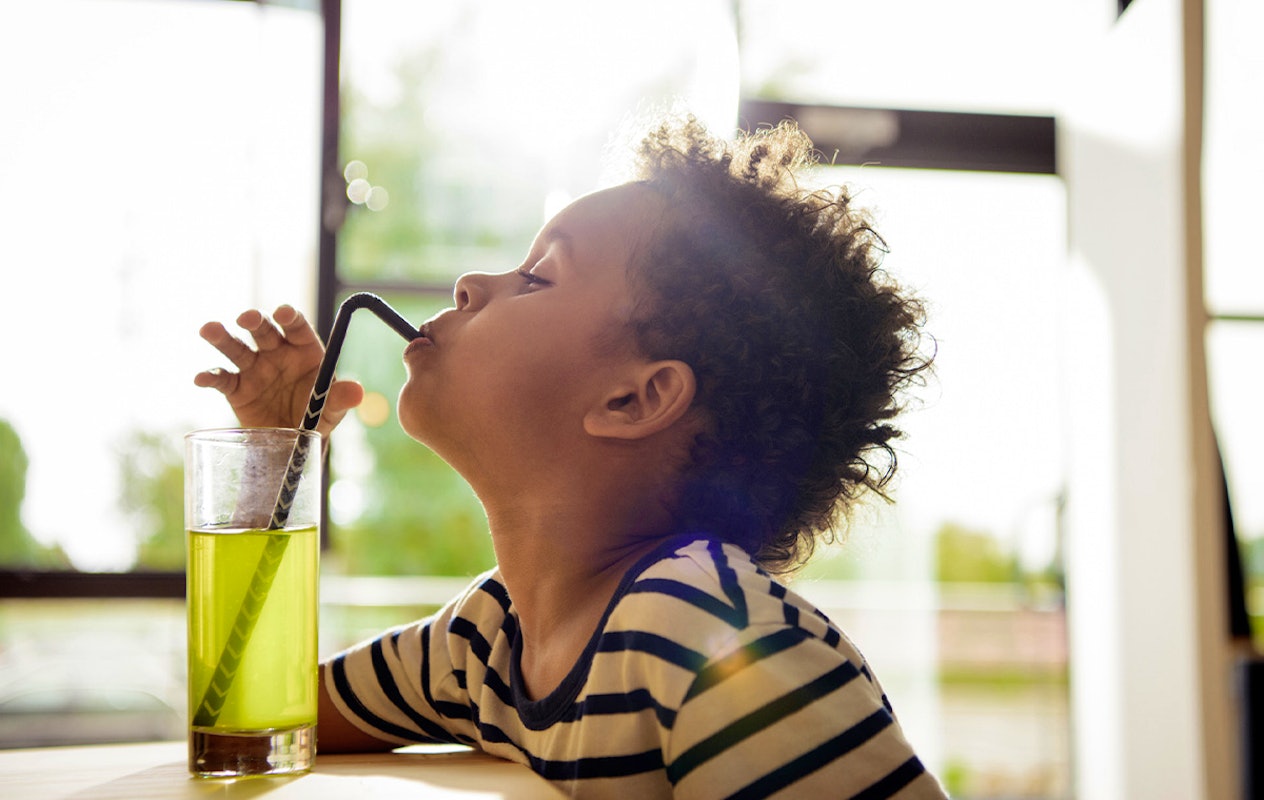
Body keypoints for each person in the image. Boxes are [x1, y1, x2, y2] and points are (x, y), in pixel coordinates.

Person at [195, 115, 946, 799]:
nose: (470, 283)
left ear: (634, 400)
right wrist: (275, 459)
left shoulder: (711, 635)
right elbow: (251, 717)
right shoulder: (484, 642)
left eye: (537, 277)